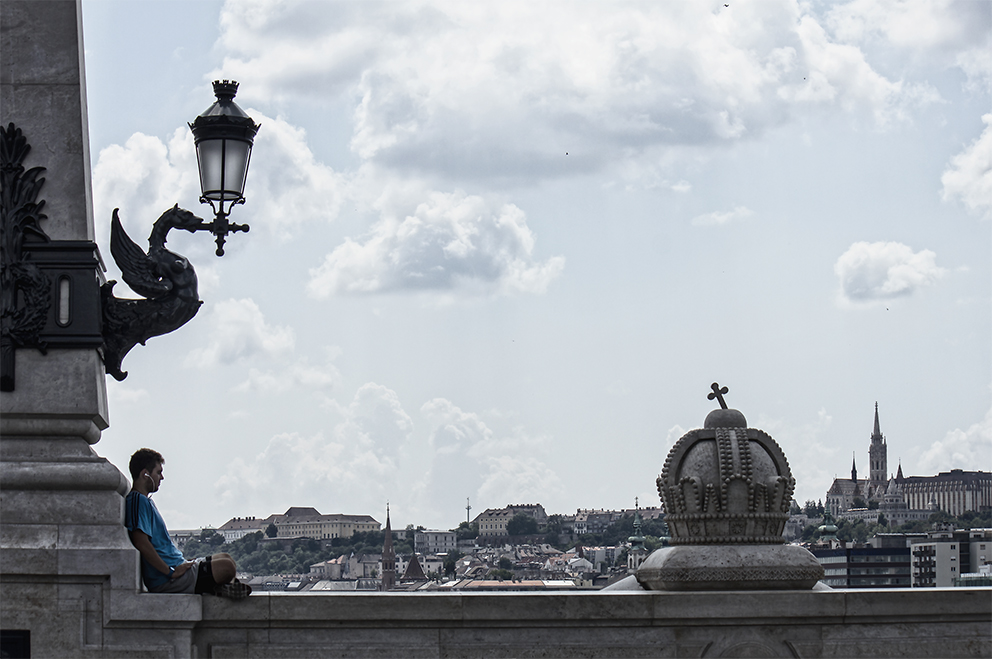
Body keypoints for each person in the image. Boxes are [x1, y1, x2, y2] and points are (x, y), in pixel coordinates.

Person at [124, 448, 250, 599]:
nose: (162, 477)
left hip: (177, 567)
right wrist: (170, 571)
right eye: (158, 472)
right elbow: (141, 542)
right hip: (169, 579)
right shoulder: (138, 501)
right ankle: (218, 588)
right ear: (145, 474)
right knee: (227, 567)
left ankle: (218, 588)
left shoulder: (145, 501)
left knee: (226, 557)